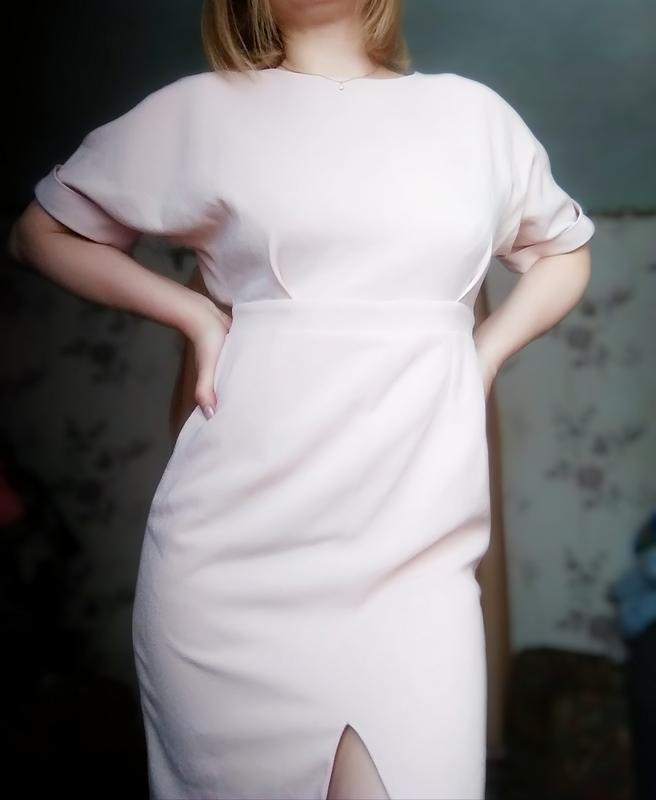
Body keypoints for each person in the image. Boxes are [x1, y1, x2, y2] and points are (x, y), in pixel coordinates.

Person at [7, 0, 595, 797]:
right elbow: (40, 233)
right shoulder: (201, 111)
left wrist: (482, 357)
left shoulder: (474, 116)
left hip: (418, 571)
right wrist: (194, 314)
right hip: (233, 571)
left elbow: (565, 249)